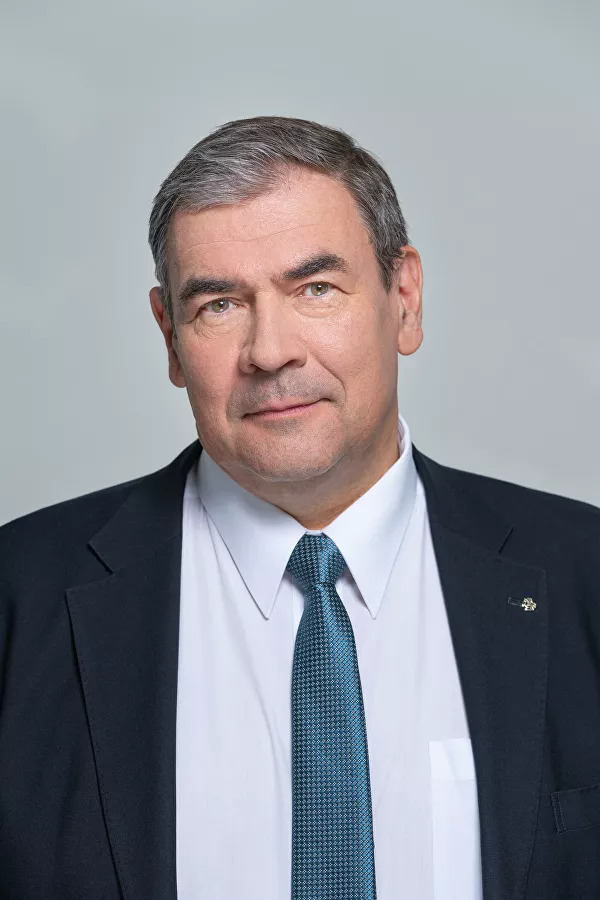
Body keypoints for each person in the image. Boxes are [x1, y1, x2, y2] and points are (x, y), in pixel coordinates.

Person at [1, 115, 599, 900]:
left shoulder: (584, 575)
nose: (270, 350)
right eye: (219, 304)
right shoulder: (19, 596)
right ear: (171, 338)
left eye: (315, 289)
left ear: (404, 299)